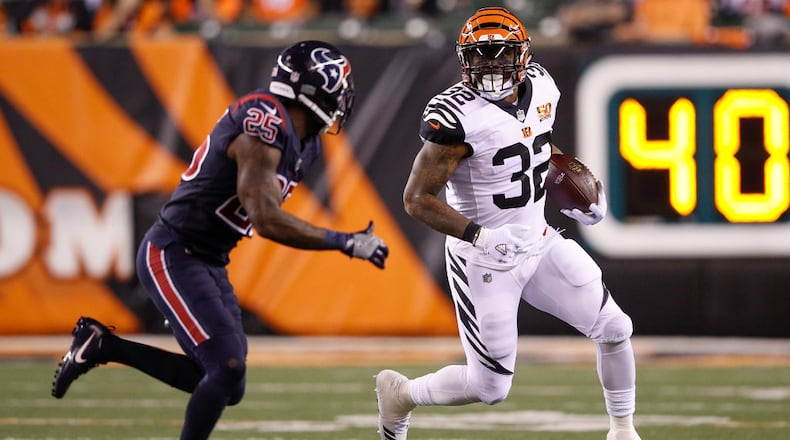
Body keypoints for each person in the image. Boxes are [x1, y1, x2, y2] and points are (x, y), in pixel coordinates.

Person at [51, 40, 389, 440]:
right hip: (173, 251)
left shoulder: (306, 141)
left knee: (228, 382)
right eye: (339, 89)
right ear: (317, 89)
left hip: (209, 260)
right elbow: (265, 218)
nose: (342, 101)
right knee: (226, 368)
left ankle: (103, 346)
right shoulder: (264, 122)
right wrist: (344, 242)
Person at [375, 7, 641, 440]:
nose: (492, 63)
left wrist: (576, 186)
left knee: (615, 327)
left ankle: (623, 429)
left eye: (501, 53)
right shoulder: (455, 116)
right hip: (482, 257)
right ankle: (401, 395)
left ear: (522, 55)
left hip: (537, 242)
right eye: (481, 55)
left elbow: (537, 148)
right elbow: (416, 199)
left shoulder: (541, 86)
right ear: (465, 59)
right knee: (491, 387)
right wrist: (480, 236)